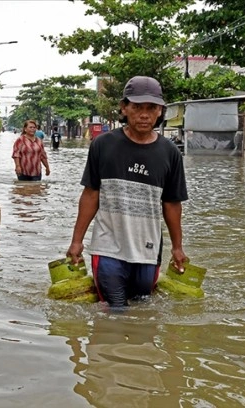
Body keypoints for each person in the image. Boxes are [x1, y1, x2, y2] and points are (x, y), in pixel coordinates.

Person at [65, 76, 188, 308]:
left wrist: (178, 247)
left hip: (148, 251)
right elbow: (91, 194)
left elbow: (172, 204)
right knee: (116, 310)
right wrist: (77, 241)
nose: (144, 114)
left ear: (160, 111)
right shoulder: (103, 145)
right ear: (124, 108)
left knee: (142, 314)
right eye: (137, 107)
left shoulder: (170, 153)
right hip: (108, 247)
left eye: (151, 108)